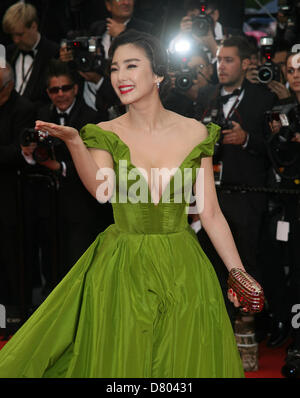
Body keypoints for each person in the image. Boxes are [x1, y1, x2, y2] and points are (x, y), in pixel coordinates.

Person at [0, 30, 250, 378]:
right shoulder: (105, 132)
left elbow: (209, 213)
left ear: (158, 73)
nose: (120, 77)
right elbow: (103, 193)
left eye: (132, 65)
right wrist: (75, 142)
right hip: (122, 268)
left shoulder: (196, 132)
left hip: (183, 269)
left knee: (180, 363)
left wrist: (237, 272)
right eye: (115, 68)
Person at [195, 36, 277, 323]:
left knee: (246, 263)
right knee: (210, 262)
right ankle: (215, 324)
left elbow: (277, 149)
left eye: (228, 60)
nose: (221, 66)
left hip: (247, 194)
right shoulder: (206, 95)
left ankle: (247, 328)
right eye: (219, 60)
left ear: (245, 63)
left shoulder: (265, 98)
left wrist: (247, 139)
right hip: (211, 195)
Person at [20, 60, 114, 304]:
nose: (60, 94)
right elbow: (32, 157)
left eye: (65, 88)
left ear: (75, 89)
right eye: (54, 90)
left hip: (82, 210)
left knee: (78, 267)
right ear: (47, 92)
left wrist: (60, 167)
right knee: (50, 270)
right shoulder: (40, 117)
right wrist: (29, 155)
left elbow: (98, 163)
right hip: (46, 209)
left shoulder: (92, 118)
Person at [259, 51, 300, 376]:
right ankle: (296, 342)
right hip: (290, 203)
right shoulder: (286, 112)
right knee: (295, 274)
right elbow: (281, 159)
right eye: (290, 70)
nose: (295, 75)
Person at [0, 62, 35, 331]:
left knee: (14, 259)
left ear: (9, 86)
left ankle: (18, 317)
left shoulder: (24, 109)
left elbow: (21, 153)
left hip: (13, 199)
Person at [2, 2, 59, 107]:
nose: (16, 40)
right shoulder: (7, 53)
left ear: (34, 26)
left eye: (20, 34)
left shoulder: (54, 53)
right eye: (12, 35)